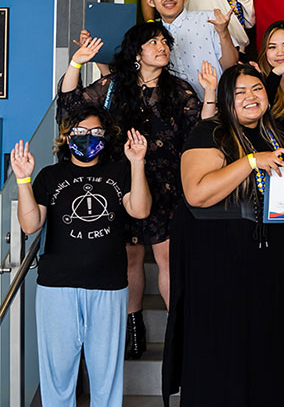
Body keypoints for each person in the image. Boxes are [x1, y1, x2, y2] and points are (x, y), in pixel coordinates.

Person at [58, 26, 210, 361]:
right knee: (131, 257)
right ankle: (134, 328)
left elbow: (201, 130)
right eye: (153, 42)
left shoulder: (179, 89)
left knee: (170, 258)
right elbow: (70, 108)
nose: (162, 47)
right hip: (123, 183)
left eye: (165, 42)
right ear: (136, 52)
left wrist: (211, 93)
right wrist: (75, 64)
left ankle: (179, 332)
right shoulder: (113, 86)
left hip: (168, 186)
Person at [164, 65, 284, 405]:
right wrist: (251, 161)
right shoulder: (210, 132)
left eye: (257, 89)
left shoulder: (276, 134)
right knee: (220, 347)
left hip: (266, 259)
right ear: (224, 100)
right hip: (218, 260)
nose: (251, 97)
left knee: (262, 346)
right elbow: (197, 193)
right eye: (240, 93)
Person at [12, 106, 151, 407]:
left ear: (106, 136)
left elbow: (139, 210)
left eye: (96, 132)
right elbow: (30, 224)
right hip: (57, 288)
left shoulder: (120, 171)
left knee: (106, 377)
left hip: (109, 286)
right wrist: (23, 180)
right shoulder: (50, 176)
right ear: (66, 136)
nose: (88, 138)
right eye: (80, 132)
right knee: (58, 377)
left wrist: (137, 163)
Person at [142, 0, 239, 100]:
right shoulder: (151, 36)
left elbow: (231, 65)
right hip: (179, 112)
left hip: (220, 104)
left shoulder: (209, 19)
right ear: (150, 1)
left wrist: (223, 32)